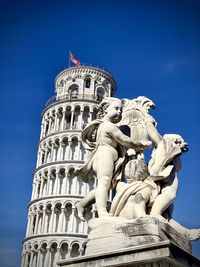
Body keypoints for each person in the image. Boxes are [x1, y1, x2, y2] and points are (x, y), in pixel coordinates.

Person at [75, 97, 151, 219]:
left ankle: (82, 204)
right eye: (116, 109)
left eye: (121, 110)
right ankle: (102, 211)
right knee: (104, 183)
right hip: (105, 155)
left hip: (105, 156)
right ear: (105, 109)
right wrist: (141, 144)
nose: (119, 112)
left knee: (106, 185)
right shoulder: (108, 126)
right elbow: (125, 140)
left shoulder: (104, 126)